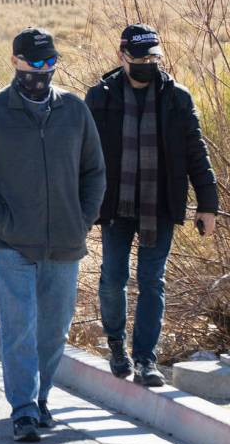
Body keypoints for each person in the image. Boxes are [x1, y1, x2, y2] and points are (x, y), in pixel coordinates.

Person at [0, 27, 106, 442]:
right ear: (14, 62)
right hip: (11, 244)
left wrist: (83, 219)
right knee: (19, 326)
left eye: (49, 63)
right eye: (33, 63)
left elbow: (94, 172)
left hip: (65, 241)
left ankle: (41, 399)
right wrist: (0, 221)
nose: (42, 71)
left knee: (53, 330)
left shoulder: (74, 111)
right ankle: (22, 409)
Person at [85, 24, 218, 387]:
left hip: (158, 205)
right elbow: (82, 155)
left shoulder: (177, 98)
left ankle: (145, 359)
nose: (148, 63)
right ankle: (116, 344)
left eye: (153, 57)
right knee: (113, 279)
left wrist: (208, 204)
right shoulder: (100, 97)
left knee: (152, 282)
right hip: (113, 205)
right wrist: (80, 205)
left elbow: (196, 153)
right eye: (140, 57)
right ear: (122, 57)